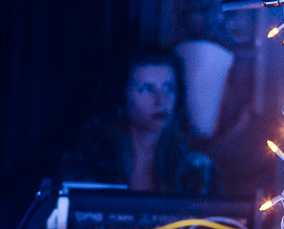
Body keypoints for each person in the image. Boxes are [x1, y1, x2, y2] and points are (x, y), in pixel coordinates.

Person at [62, 47, 219, 195]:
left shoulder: (197, 169)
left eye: (168, 88)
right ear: (122, 94)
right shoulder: (90, 160)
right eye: (147, 89)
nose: (161, 100)